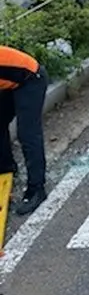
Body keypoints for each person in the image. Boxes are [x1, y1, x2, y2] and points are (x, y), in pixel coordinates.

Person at [0, 45, 49, 215]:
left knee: (27, 134)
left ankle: (37, 189)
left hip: (31, 80)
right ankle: (5, 165)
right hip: (11, 83)